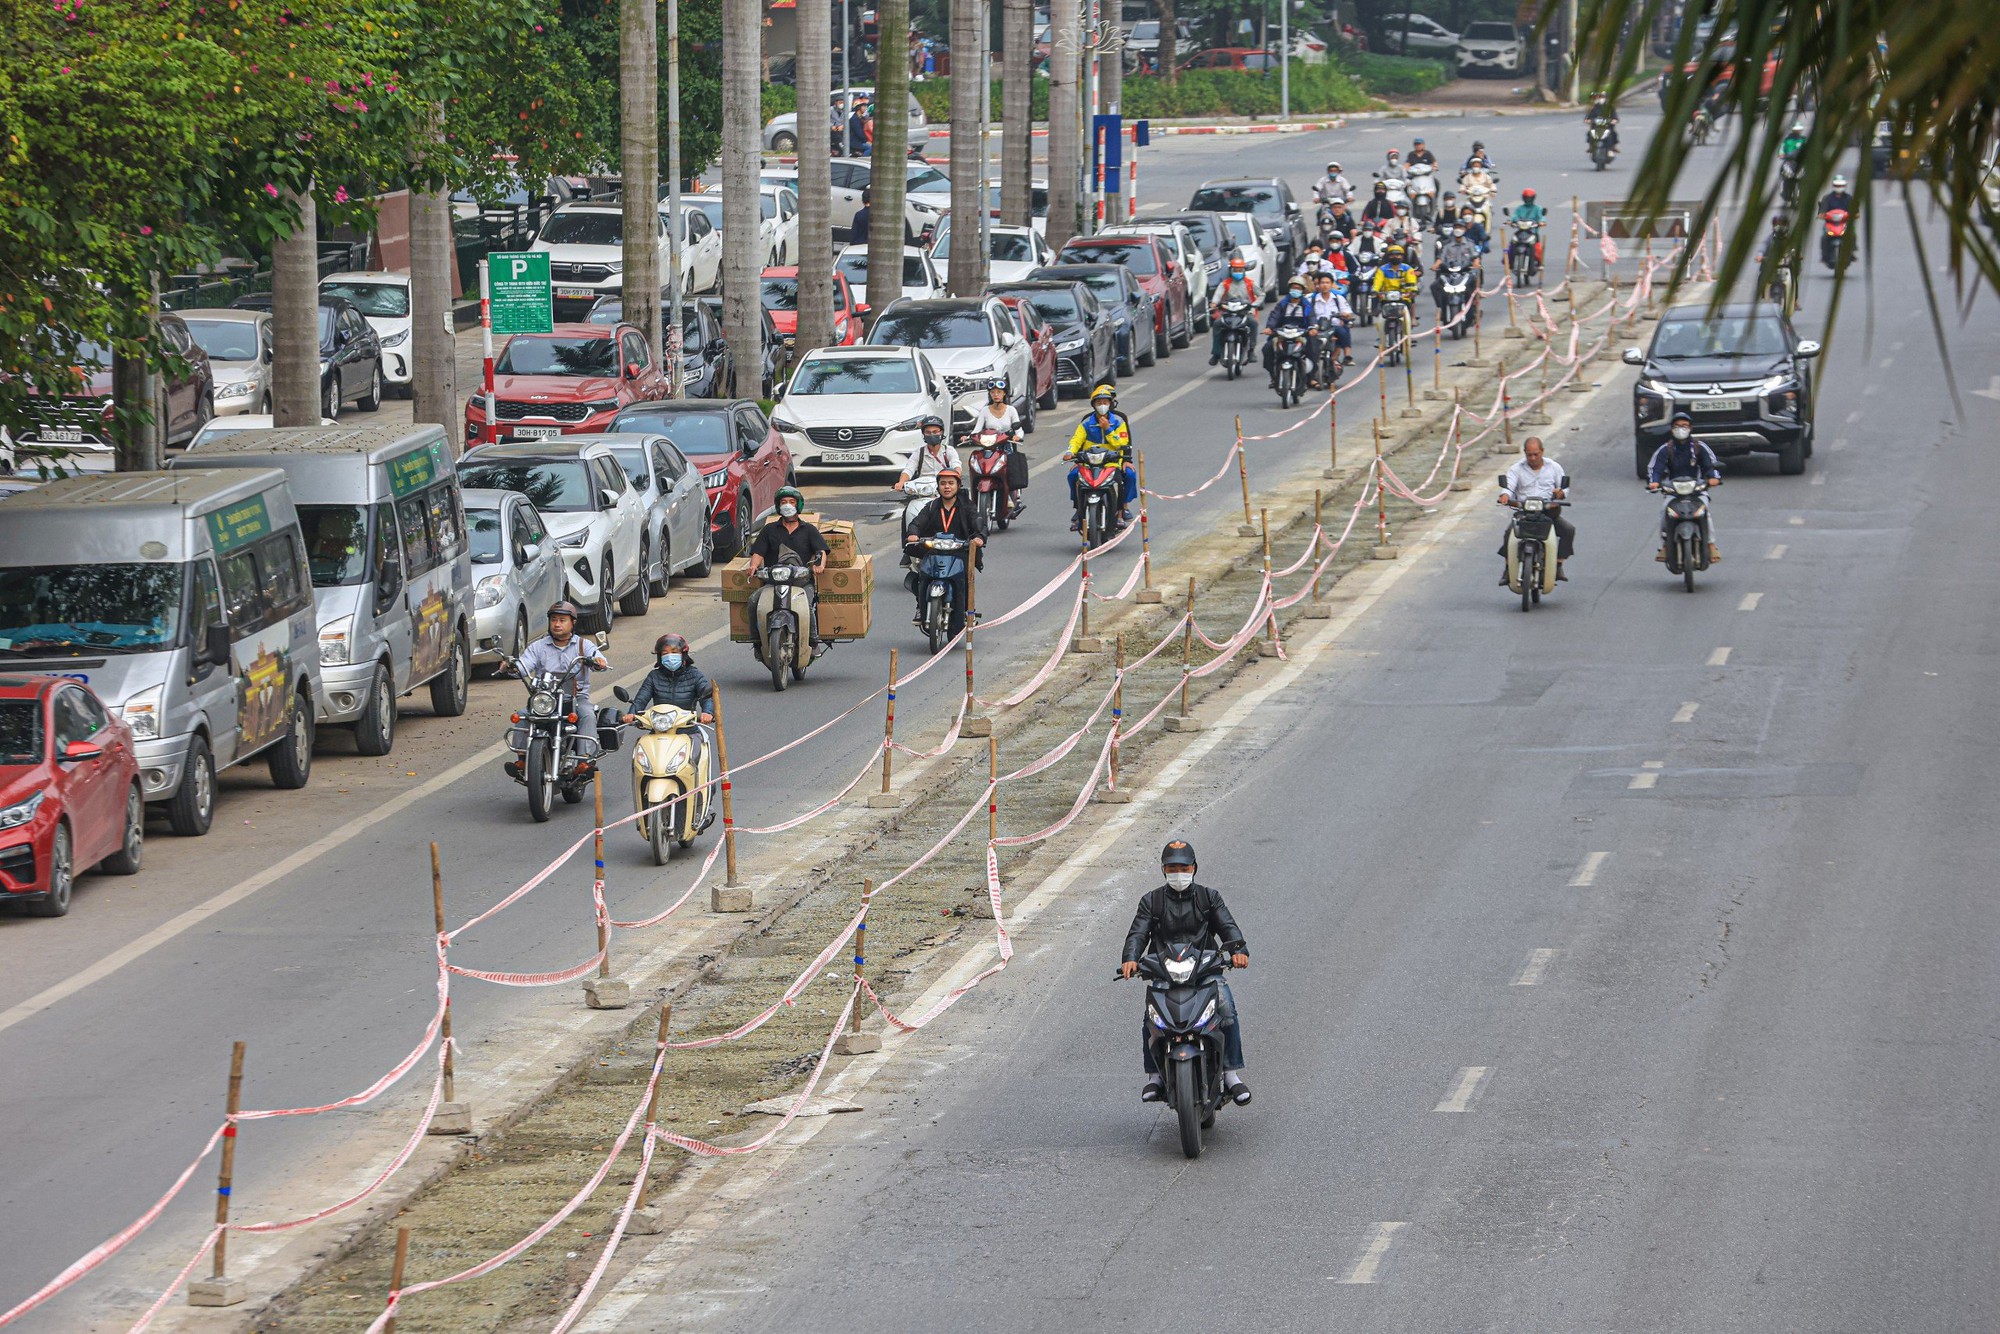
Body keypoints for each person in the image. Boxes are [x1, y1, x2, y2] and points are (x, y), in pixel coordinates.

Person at [1120, 839, 1251, 1107]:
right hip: (1164, 971)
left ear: (1194, 868)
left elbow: (1228, 926)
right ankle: (1155, 1075)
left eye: (1183, 867)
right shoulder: (1151, 901)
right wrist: (1131, 959)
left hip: (1205, 968)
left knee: (1226, 1006)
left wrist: (1239, 950)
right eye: (1172, 868)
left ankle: (1231, 1074)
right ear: (1163, 870)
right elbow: (1138, 933)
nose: (1178, 872)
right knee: (1151, 1019)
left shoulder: (1208, 897)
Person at [510, 601, 611, 765]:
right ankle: (522, 758)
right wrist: (513, 667)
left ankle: (585, 760)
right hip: (545, 700)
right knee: (522, 714)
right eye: (554, 619)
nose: (557, 624)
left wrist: (599, 661)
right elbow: (523, 665)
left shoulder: (583, 645)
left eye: (562, 620)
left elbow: (599, 658)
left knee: (588, 715)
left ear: (573, 622)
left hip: (577, 699)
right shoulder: (538, 646)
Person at [745, 485, 830, 653]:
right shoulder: (769, 530)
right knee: (754, 601)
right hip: (774, 581)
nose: (788, 505)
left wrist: (819, 566)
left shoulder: (809, 530)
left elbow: (821, 551)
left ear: (798, 506)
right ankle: (757, 641)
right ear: (778, 506)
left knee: (807, 603)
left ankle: (813, 642)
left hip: (801, 581)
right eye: (784, 502)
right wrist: (753, 566)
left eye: (792, 501)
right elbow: (758, 552)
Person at [903, 468, 984, 633]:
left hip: (960, 551)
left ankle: (968, 612)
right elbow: (917, 522)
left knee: (965, 580)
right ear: (938, 486)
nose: (947, 487)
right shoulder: (931, 506)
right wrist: (913, 534)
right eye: (943, 483)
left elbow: (977, 521)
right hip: (935, 551)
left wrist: (979, 537)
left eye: (951, 483)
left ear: (958, 486)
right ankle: (921, 607)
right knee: (920, 575)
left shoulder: (967, 506)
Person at [1646, 412, 1724, 563]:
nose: (1680, 429)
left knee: (1705, 514)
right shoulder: (1665, 450)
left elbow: (1711, 466)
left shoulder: (1699, 447)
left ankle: (1711, 545)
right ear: (1671, 429)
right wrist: (1654, 482)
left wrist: (1713, 478)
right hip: (1673, 492)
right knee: (1664, 513)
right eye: (1677, 426)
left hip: (1697, 491)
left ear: (1690, 428)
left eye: (1684, 426)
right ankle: (1666, 546)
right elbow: (1655, 469)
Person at [1497, 436, 1574, 583]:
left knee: (1568, 530)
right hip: (1524, 511)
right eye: (1529, 455)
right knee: (1509, 534)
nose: (1533, 458)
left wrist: (1561, 492)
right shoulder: (1516, 469)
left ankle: (1558, 565)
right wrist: (1505, 496)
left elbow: (1564, 488)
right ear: (1525, 453)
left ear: (1542, 451)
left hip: (1547, 511)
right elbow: (1508, 487)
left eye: (1536, 454)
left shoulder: (1554, 467)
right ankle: (1508, 569)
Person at [1066, 385, 1137, 527]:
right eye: (1099, 403)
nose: (1102, 406)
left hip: (1112, 461)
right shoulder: (1087, 421)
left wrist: (1108, 429)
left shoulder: (1118, 420)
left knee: (1126, 477)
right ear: (1093, 404)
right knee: (1073, 476)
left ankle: (1120, 512)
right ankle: (1079, 510)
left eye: (1105, 402)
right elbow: (1077, 440)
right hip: (1089, 461)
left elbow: (1122, 443)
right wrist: (1071, 453)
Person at [620, 633, 715, 725]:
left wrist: (707, 712)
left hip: (688, 729)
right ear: (660, 657)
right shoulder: (654, 676)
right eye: (665, 653)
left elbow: (706, 697)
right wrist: (632, 713)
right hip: (659, 729)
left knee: (698, 741)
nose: (670, 656)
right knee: (642, 742)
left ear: (683, 654)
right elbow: (641, 699)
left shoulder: (694, 675)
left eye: (674, 652)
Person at [967, 377, 1024, 517]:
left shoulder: (1011, 410)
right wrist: (969, 437)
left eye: (999, 392)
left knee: (1009, 473)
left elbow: (1019, 429)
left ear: (1004, 394)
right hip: (989, 447)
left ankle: (1013, 499)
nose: (996, 394)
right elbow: (977, 429)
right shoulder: (985, 411)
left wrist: (1017, 436)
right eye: (993, 392)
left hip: (1007, 447)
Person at [1208, 255, 1259, 364]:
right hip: (1228, 312)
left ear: (1244, 270)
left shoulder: (1250, 283)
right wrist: (1214, 303)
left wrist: (1254, 305)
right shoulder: (1225, 283)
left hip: (1245, 312)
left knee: (1253, 323)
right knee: (1217, 324)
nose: (1238, 272)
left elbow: (1261, 295)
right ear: (1231, 270)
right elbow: (1217, 295)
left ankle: (1251, 350)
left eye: (1240, 270)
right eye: (1235, 270)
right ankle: (1216, 353)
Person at [1262, 275, 1312, 388]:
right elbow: (1274, 316)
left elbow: (1311, 317)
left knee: (1312, 348)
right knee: (1267, 348)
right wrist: (1269, 327)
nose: (1295, 290)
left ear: (1302, 290)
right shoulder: (1282, 303)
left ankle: (1310, 377)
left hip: (1301, 333)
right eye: (1293, 288)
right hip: (1282, 332)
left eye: (1298, 288)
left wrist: (1312, 328)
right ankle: (1273, 376)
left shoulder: (1307, 305)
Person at [1305, 270, 1355, 383]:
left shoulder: (1338, 299)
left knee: (1343, 332)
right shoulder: (1311, 300)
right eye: (1322, 283)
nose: (1324, 285)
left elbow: (1348, 312)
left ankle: (1344, 356)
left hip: (1334, 327)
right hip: (1317, 328)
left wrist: (1345, 315)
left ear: (1332, 284)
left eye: (1327, 282)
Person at [895, 415, 961, 491]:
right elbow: (909, 470)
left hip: (945, 490)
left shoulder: (949, 450)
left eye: (935, 432)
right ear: (923, 434)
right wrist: (901, 482)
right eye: (928, 432)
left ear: (941, 433)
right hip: (923, 491)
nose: (932, 435)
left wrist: (957, 478)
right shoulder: (919, 453)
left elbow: (956, 466)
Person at [1431, 220, 1483, 314]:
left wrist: (1476, 264)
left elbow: (1476, 257)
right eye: (1456, 228)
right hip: (1449, 273)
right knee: (1434, 286)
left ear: (1464, 230)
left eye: (1460, 228)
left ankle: (1474, 306)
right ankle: (1441, 308)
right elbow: (1441, 258)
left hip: (1465, 273)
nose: (1458, 230)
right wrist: (1435, 265)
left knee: (1474, 282)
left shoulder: (1470, 243)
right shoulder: (1447, 244)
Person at [1372, 242, 1420, 314]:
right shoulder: (1382, 269)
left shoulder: (1408, 269)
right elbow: (1377, 281)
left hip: (1403, 297)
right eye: (1392, 255)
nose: (1395, 257)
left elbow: (1412, 281)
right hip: (1386, 297)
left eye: (1398, 255)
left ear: (1402, 256)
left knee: (1407, 314)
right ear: (1389, 257)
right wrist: (1375, 290)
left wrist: (1413, 290)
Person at [1817, 175, 1854, 267]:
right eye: (1837, 186)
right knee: (1824, 236)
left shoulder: (1849, 198)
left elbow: (1854, 210)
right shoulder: (1827, 198)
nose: (1839, 188)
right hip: (1830, 223)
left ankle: (1851, 252)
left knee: (1852, 235)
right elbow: (1822, 211)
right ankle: (1824, 254)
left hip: (1844, 223)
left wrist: (1854, 214)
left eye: (1841, 186)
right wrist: (1822, 214)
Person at [1586, 91, 1620, 157]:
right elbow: (1588, 118)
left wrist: (1614, 121)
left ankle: (1611, 148)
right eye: (1598, 97)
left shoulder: (1610, 108)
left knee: (1613, 134)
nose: (1600, 98)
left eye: (1602, 97)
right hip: (1596, 128)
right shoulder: (1593, 108)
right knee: (1589, 134)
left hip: (1608, 127)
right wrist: (1588, 121)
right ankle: (1591, 147)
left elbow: (1615, 118)